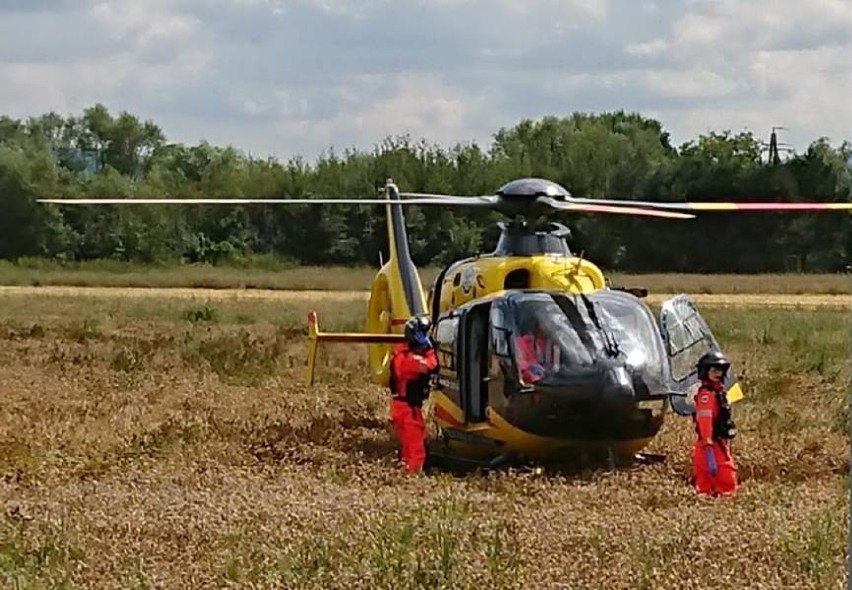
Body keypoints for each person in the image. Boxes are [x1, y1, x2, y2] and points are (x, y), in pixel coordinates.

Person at [388, 315, 439, 473]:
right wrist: (430, 350)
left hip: (400, 407)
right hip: (409, 410)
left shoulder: (400, 354)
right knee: (417, 452)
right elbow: (432, 365)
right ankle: (413, 481)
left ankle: (404, 477)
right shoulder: (412, 360)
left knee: (407, 450)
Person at [692, 351, 738, 497]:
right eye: (714, 370)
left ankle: (710, 498)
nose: (718, 373)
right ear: (706, 372)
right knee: (724, 472)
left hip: (719, 441)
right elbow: (704, 419)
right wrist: (707, 441)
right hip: (711, 443)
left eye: (720, 370)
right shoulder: (706, 395)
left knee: (712, 475)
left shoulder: (719, 392)